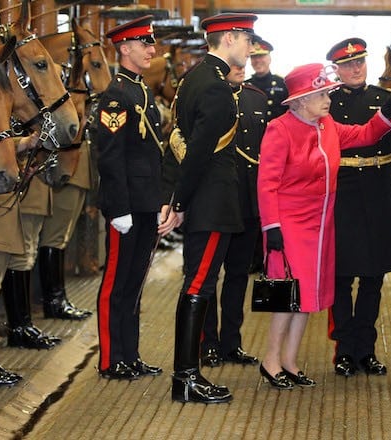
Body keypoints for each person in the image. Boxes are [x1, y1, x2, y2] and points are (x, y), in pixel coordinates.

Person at [257, 62, 391, 389]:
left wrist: (389, 111)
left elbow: (365, 134)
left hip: (319, 225)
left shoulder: (327, 126)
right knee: (285, 295)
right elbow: (266, 184)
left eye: (327, 93)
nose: (328, 100)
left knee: (306, 296)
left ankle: (290, 362)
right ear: (298, 101)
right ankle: (270, 360)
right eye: (320, 94)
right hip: (289, 223)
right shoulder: (280, 129)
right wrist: (272, 228)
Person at [159, 12, 258, 404]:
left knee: (197, 283)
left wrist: (178, 200)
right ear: (229, 38)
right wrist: (178, 202)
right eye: (247, 39)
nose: (250, 48)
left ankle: (187, 373)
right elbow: (198, 152)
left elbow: (179, 142)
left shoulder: (193, 79)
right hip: (213, 200)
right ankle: (185, 377)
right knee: (198, 285)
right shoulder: (216, 87)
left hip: (202, 199)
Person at [324, 38, 391, 377]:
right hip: (343, 191)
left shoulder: (382, 99)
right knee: (342, 277)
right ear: (336, 69)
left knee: (374, 278)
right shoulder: (327, 102)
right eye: (348, 64)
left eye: (360, 61)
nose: (355, 68)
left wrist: (381, 168)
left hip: (378, 190)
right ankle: (344, 350)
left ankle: (366, 349)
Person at [95, 15, 164, 381]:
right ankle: (111, 358)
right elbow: (110, 156)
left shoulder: (141, 90)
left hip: (145, 203)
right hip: (126, 208)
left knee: (135, 284)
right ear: (124, 48)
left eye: (151, 43)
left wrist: (156, 202)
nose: (152, 49)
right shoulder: (116, 96)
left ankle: (131, 355)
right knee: (116, 285)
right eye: (144, 44)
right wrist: (119, 208)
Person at [201, 64, 266, 368]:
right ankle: (208, 344)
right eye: (235, 64)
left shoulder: (257, 98)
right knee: (209, 278)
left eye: (244, 63)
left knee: (239, 275)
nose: (241, 68)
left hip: (249, 203)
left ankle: (231, 343)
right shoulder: (206, 96)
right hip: (217, 202)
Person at [247, 38, 288, 121]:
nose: (257, 60)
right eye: (254, 57)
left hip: (277, 131)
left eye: (261, 56)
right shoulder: (245, 86)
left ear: (269, 59)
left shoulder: (282, 84)